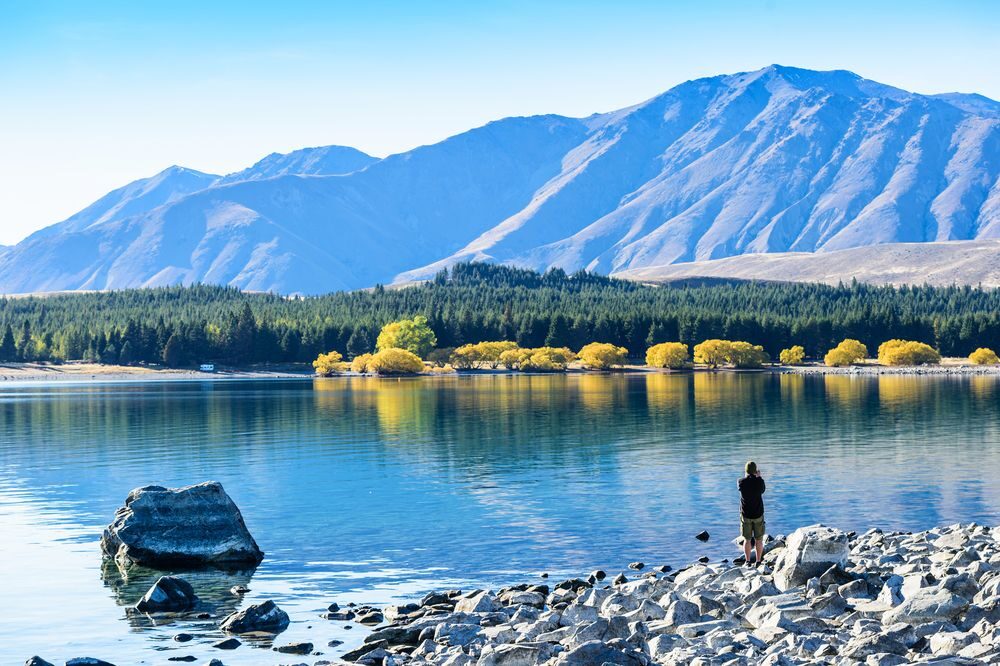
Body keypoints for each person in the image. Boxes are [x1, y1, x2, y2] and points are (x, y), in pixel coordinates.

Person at [738, 460, 766, 566]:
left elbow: (745, 483)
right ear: (755, 471)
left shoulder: (741, 482)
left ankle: (748, 561)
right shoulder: (760, 482)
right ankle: (758, 561)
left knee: (747, 540)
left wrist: (749, 476)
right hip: (758, 514)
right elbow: (762, 490)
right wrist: (758, 477)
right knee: (759, 540)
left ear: (746, 471)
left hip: (746, 515)